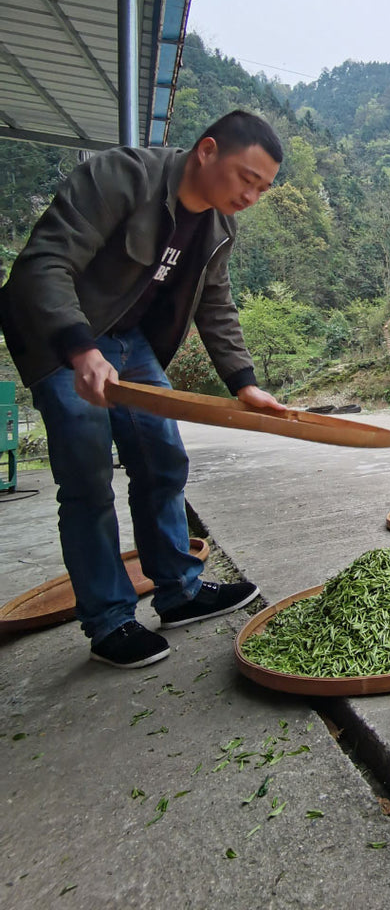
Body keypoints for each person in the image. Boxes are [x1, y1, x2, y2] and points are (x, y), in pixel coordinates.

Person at [0, 109, 286, 669]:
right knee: (87, 477)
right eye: (246, 179)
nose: (251, 197)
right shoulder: (120, 176)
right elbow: (43, 264)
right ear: (207, 151)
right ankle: (110, 620)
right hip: (64, 337)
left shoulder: (219, 228)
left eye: (263, 189)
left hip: (129, 342)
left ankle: (179, 591)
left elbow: (215, 305)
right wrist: (80, 349)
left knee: (163, 460)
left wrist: (245, 384)